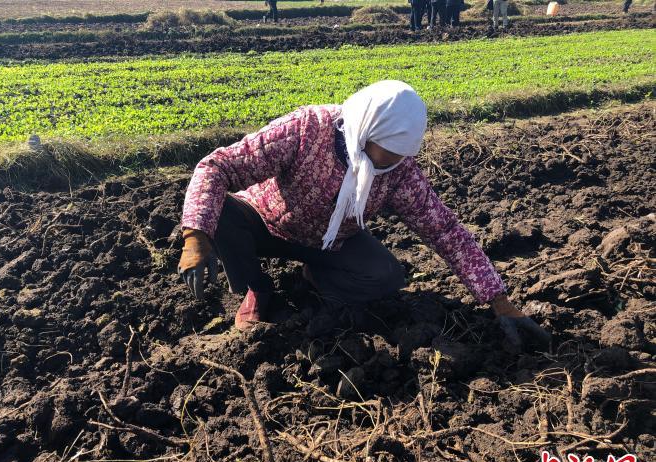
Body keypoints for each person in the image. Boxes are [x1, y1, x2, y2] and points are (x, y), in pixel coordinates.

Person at [178, 80, 550, 348]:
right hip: (263, 220)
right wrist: (196, 237)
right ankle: (257, 289)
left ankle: (314, 276)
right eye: (383, 152)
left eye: (400, 155)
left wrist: (499, 301)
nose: (390, 163)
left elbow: (445, 231)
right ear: (365, 128)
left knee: (385, 277)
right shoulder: (309, 129)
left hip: (330, 241)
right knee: (221, 213)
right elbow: (217, 167)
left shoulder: (400, 170)